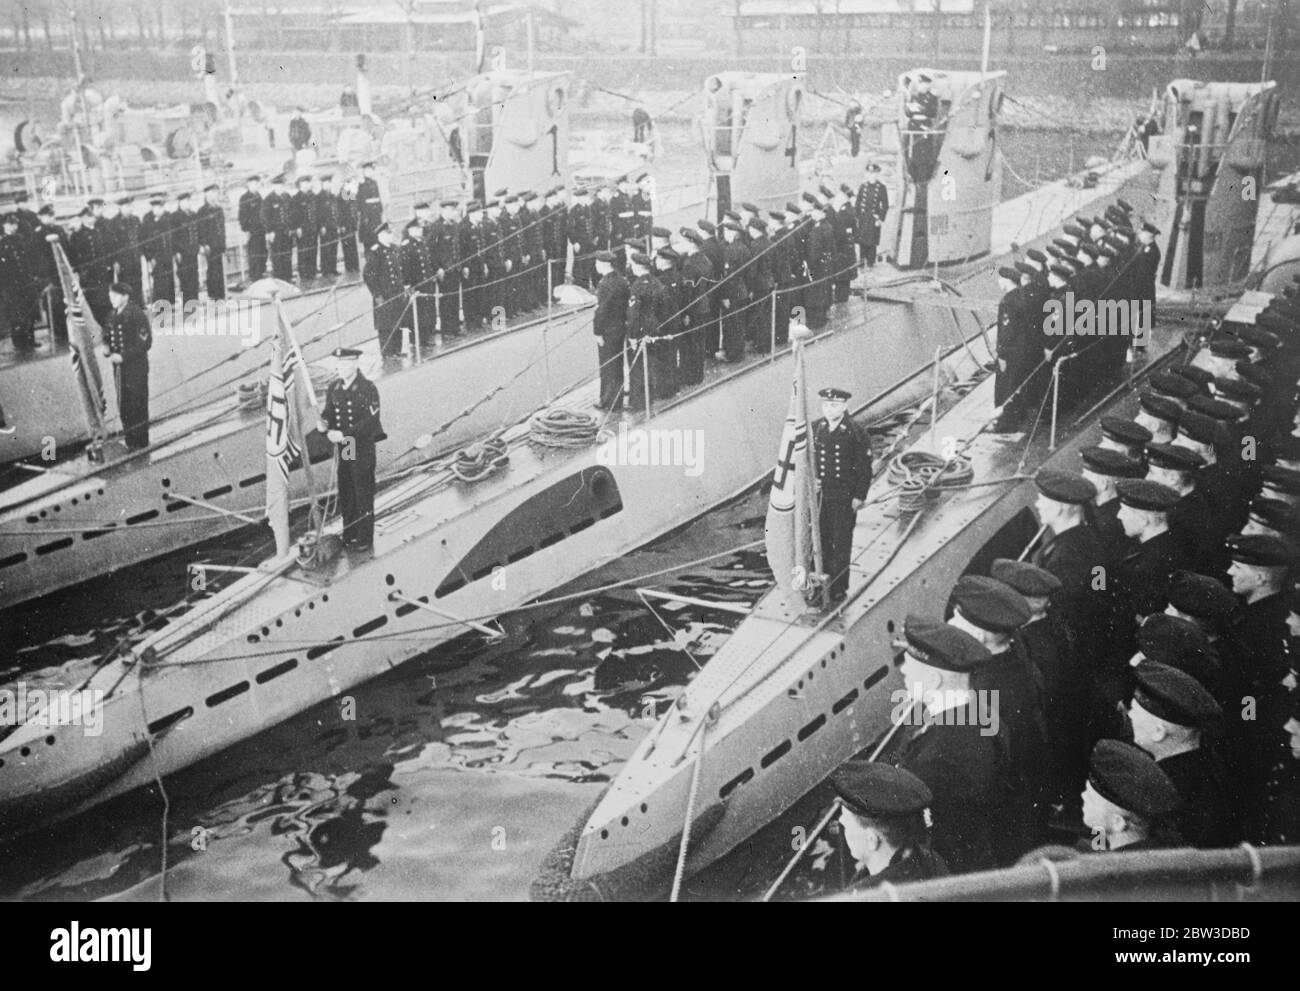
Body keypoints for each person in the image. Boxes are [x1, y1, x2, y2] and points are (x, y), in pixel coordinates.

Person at [890, 616, 1008, 873]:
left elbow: (932, 833)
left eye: (909, 665)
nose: (902, 670)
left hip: (953, 873)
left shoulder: (938, 755)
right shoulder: (981, 712)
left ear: (933, 680)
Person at [1128, 660, 1232, 847]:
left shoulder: (1160, 789)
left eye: (1135, 711)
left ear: (1158, 732)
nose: (1129, 715)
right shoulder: (1205, 766)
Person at [829, 761, 948, 892]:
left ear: (872, 840)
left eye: (846, 824)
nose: (841, 824)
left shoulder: (862, 897)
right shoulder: (931, 861)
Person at [318, 347, 385, 553]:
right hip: (347, 447)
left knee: (362, 491)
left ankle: (364, 537)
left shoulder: (367, 388)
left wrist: (344, 434)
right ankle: (350, 533)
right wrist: (324, 423)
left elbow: (370, 421)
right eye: (339, 364)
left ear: (356, 364)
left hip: (361, 445)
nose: (341, 368)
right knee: (347, 488)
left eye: (346, 364)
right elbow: (329, 412)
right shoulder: (335, 387)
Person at [813, 386, 871, 605]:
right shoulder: (817, 428)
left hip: (844, 497)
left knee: (841, 541)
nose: (829, 409)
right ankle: (822, 581)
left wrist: (859, 496)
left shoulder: (855, 432)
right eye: (826, 405)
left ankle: (838, 587)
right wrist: (814, 479)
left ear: (844, 406)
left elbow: (864, 468)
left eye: (834, 405)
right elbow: (811, 458)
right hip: (822, 497)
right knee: (822, 539)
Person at [1080, 739, 1182, 852]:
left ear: (1118, 822)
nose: (1083, 796)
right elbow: (1099, 831)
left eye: (1091, 799)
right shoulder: (1150, 846)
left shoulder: (1119, 867)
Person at [104, 282, 152, 449]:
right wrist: (106, 347)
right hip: (119, 370)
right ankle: (131, 441)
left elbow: (145, 343)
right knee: (124, 405)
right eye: (110, 296)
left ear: (125, 296)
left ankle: (141, 443)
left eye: (115, 296)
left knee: (137, 404)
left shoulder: (136, 314)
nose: (112, 300)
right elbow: (107, 334)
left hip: (135, 368)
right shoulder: (112, 314)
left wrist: (123, 357)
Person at [593, 250, 628, 411]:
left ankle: (607, 400)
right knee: (617, 365)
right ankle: (617, 399)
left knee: (607, 366)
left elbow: (602, 311)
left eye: (597, 263)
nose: (595, 265)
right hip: (620, 327)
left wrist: (597, 332)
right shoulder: (620, 280)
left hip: (608, 330)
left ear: (604, 264)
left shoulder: (605, 284)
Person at [363, 224, 406, 357]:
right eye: (388, 233)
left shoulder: (394, 249)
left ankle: (397, 350)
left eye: (391, 233)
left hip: (396, 292)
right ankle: (388, 352)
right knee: (386, 324)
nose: (391, 235)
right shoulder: (375, 251)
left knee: (397, 321)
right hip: (384, 294)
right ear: (380, 235)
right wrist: (377, 294)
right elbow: (368, 275)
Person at [141, 194, 174, 304]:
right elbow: (145, 241)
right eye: (157, 207)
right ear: (153, 207)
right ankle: (160, 305)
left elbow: (171, 235)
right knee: (159, 281)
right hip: (155, 257)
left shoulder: (167, 216)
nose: (160, 210)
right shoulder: (147, 219)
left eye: (161, 207)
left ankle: (170, 303)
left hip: (167, 254)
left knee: (169, 279)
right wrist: (149, 257)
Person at [261, 176, 294, 283]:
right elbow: (265, 217)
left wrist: (290, 228)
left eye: (281, 185)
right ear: (273, 186)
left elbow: (291, 213)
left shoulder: (287, 197)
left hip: (286, 232)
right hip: (276, 234)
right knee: (277, 257)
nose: (279, 187)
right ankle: (280, 280)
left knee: (287, 255)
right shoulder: (268, 200)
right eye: (277, 185)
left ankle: (288, 278)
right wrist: (269, 231)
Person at [855, 163, 888, 268]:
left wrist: (880, 219)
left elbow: (885, 205)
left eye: (873, 173)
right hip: (863, 218)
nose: (871, 175)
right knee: (862, 241)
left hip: (874, 218)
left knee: (872, 242)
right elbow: (857, 203)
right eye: (869, 173)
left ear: (877, 174)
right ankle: (861, 262)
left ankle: (870, 263)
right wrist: (857, 217)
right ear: (867, 174)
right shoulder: (863, 186)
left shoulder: (881, 187)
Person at [197, 184, 227, 300]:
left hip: (218, 244)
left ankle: (221, 294)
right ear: (207, 194)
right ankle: (213, 294)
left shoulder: (218, 209)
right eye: (212, 193)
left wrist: (224, 244)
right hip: (209, 246)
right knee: (212, 269)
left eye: (216, 193)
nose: (215, 196)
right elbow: (201, 229)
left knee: (219, 269)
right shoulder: (203, 211)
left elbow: (222, 228)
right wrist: (204, 244)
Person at [238, 174, 267, 282]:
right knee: (254, 255)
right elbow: (242, 217)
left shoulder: (259, 196)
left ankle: (261, 274)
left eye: (258, 184)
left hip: (261, 231)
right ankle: (255, 277)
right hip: (252, 232)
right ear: (249, 184)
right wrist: (246, 230)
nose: (257, 186)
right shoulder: (244, 198)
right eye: (254, 183)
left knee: (263, 253)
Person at [291, 176, 319, 282]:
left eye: (308, 183)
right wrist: (297, 227)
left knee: (313, 250)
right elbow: (294, 215)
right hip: (302, 230)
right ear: (300, 185)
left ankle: (312, 272)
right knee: (303, 252)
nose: (307, 185)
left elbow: (315, 212)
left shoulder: (312, 197)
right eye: (305, 183)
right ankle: (304, 274)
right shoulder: (296, 198)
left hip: (312, 229)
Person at [317, 174, 341, 278]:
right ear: (322, 184)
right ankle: (326, 270)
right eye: (326, 183)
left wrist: (338, 225)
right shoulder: (319, 197)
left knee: (333, 247)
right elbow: (318, 213)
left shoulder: (332, 196)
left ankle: (333, 268)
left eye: (329, 183)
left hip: (333, 226)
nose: (328, 185)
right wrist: (321, 226)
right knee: (326, 248)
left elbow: (336, 211)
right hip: (325, 228)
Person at [357, 162, 384, 251]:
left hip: (376, 216)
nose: (370, 172)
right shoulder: (362, 185)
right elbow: (361, 203)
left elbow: (378, 199)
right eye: (368, 171)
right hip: (368, 218)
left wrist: (380, 212)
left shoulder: (374, 183)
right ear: (364, 172)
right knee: (369, 242)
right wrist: (365, 217)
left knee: (377, 239)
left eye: (371, 170)